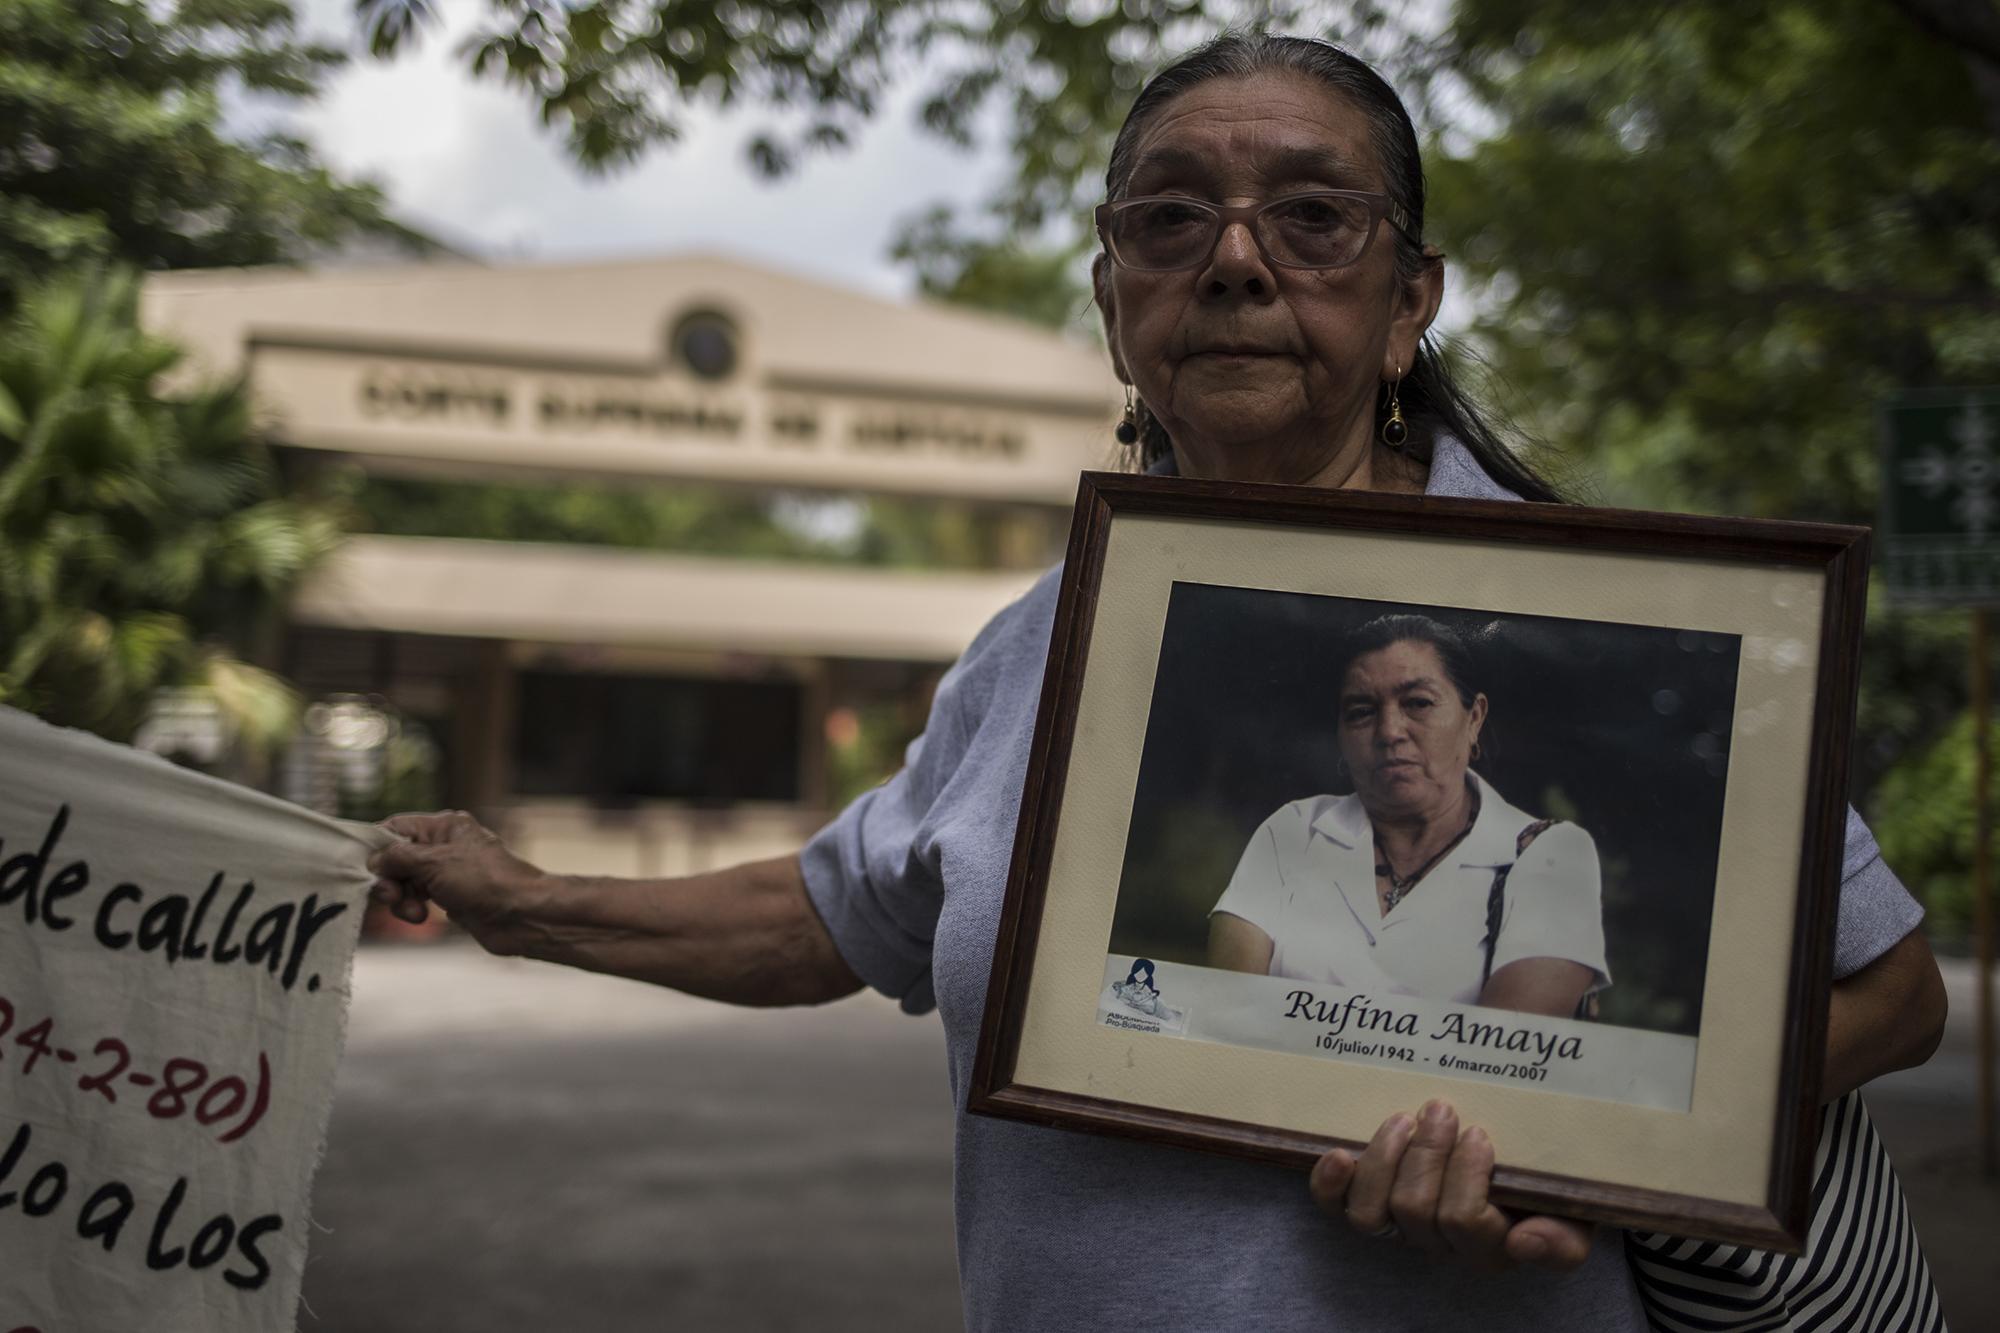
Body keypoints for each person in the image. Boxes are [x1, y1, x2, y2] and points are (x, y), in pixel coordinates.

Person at [368, 33, 1948, 1331]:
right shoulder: (1044, 641)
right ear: (1117, 296)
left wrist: (1590, 1140)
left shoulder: (1606, 605)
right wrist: (530, 903)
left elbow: (1895, 989)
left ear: (1411, 302)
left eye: (1315, 219)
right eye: (1170, 219)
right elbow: (845, 911)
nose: (1238, 263)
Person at [1209, 614, 1607, 1017]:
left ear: (1474, 719)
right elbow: (1228, 1015)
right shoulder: (1294, 830)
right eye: (1362, 711)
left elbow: (1501, 1057)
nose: (1389, 731)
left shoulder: (1547, 856)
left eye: (1418, 703)